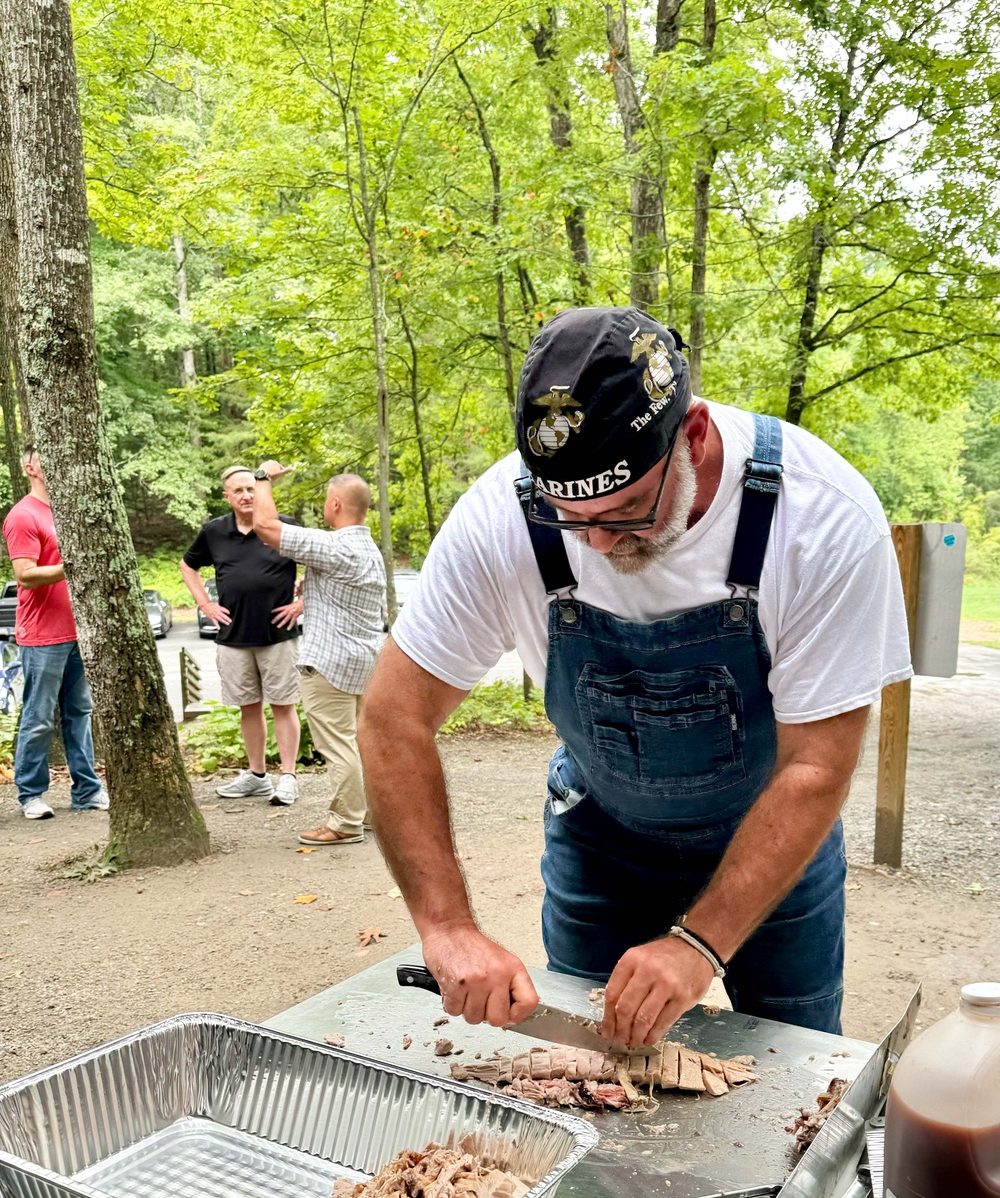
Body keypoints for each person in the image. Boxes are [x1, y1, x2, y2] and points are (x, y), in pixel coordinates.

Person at [358, 306, 913, 1048]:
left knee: (793, 1068)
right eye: (567, 516)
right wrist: (447, 924)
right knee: (589, 1072)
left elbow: (816, 764)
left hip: (777, 830)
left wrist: (700, 944)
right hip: (602, 837)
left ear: (695, 435)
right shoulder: (498, 519)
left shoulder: (820, 518)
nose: (597, 541)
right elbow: (392, 718)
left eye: (625, 511)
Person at [252, 462, 386, 846]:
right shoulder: (368, 549)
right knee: (362, 742)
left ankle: (345, 823)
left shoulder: (334, 546)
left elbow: (265, 527)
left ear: (335, 504)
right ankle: (374, 815)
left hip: (328, 663)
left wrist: (262, 479)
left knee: (338, 743)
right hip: (365, 659)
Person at [180, 465, 302, 805]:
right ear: (227, 497)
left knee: (283, 705)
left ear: (260, 491)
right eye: (239, 491)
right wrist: (205, 604)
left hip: (279, 635)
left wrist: (302, 603)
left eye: (251, 488)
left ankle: (288, 777)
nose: (247, 496)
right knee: (248, 708)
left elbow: (323, 565)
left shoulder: (284, 526)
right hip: (233, 637)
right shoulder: (214, 532)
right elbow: (187, 565)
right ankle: (257, 775)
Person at [2, 445, 108, 819]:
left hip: (78, 631)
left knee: (79, 712)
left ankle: (87, 791)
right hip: (42, 635)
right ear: (31, 467)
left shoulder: (65, 512)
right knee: (38, 715)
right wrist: (73, 565)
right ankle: (30, 794)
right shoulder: (23, 515)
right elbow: (25, 575)